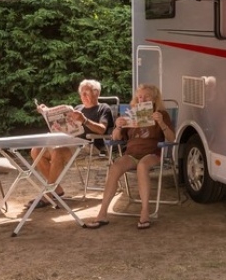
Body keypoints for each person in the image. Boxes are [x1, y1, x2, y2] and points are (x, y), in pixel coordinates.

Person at [83, 83, 175, 230]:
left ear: (154, 99)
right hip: (132, 154)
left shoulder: (161, 114)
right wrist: (119, 126)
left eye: (146, 97)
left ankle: (145, 211)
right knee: (115, 167)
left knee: (142, 166)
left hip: (153, 153)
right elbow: (115, 138)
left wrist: (161, 123)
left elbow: (171, 139)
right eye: (139, 97)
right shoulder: (130, 113)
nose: (141, 99)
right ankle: (102, 214)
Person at [29, 79, 114, 208]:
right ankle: (56, 189)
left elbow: (102, 129)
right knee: (36, 150)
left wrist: (85, 120)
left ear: (96, 93)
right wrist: (46, 113)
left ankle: (48, 194)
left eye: (86, 93)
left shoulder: (103, 108)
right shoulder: (78, 108)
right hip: (71, 144)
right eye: (81, 93)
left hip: (90, 147)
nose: (83, 96)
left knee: (58, 151)